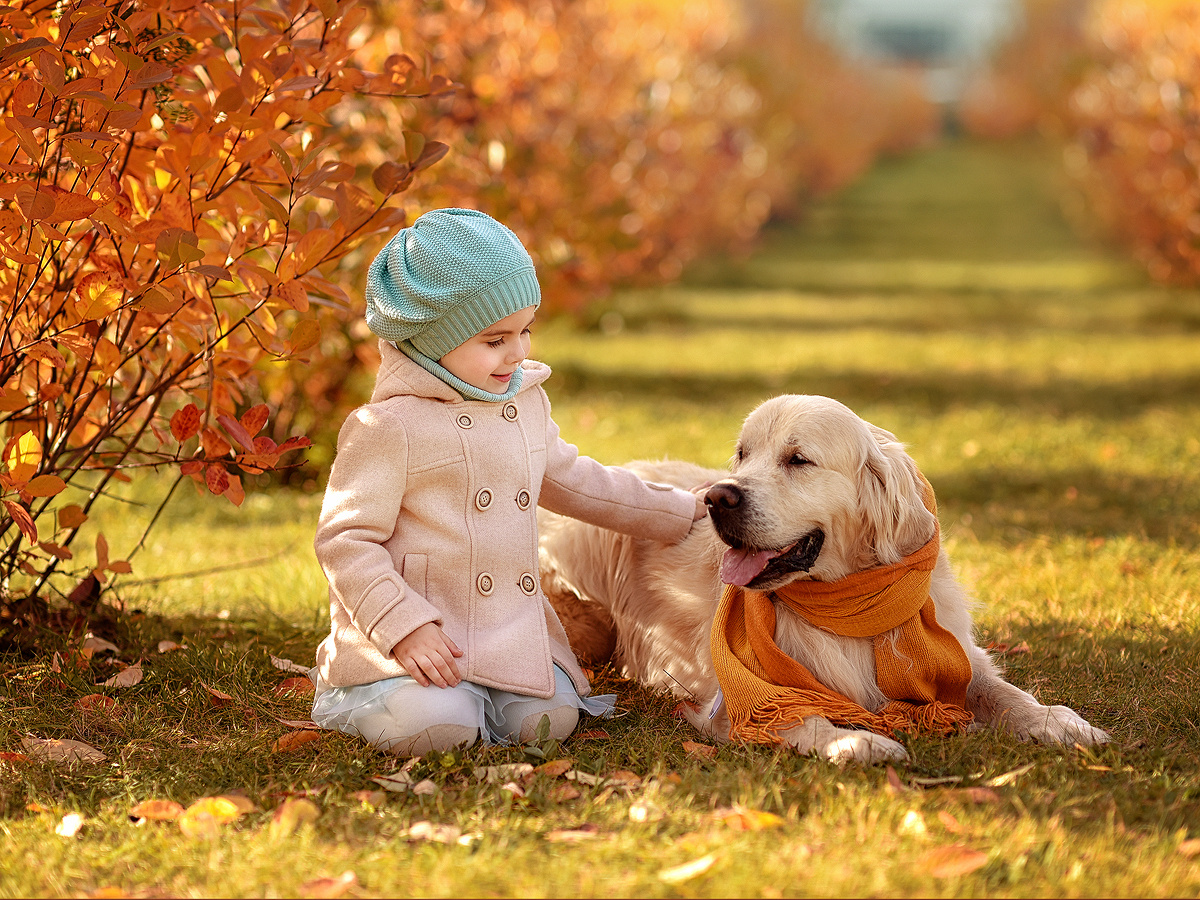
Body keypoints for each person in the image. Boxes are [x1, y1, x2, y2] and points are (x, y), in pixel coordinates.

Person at [309, 208, 707, 755]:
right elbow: (345, 541)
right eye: (495, 339)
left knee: (546, 723)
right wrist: (403, 626)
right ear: (431, 341)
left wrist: (681, 511)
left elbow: (577, 482)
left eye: (525, 331)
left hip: (504, 629)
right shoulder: (387, 428)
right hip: (416, 635)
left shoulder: (522, 403)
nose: (518, 352)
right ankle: (371, 698)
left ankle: (490, 692)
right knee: (435, 729)